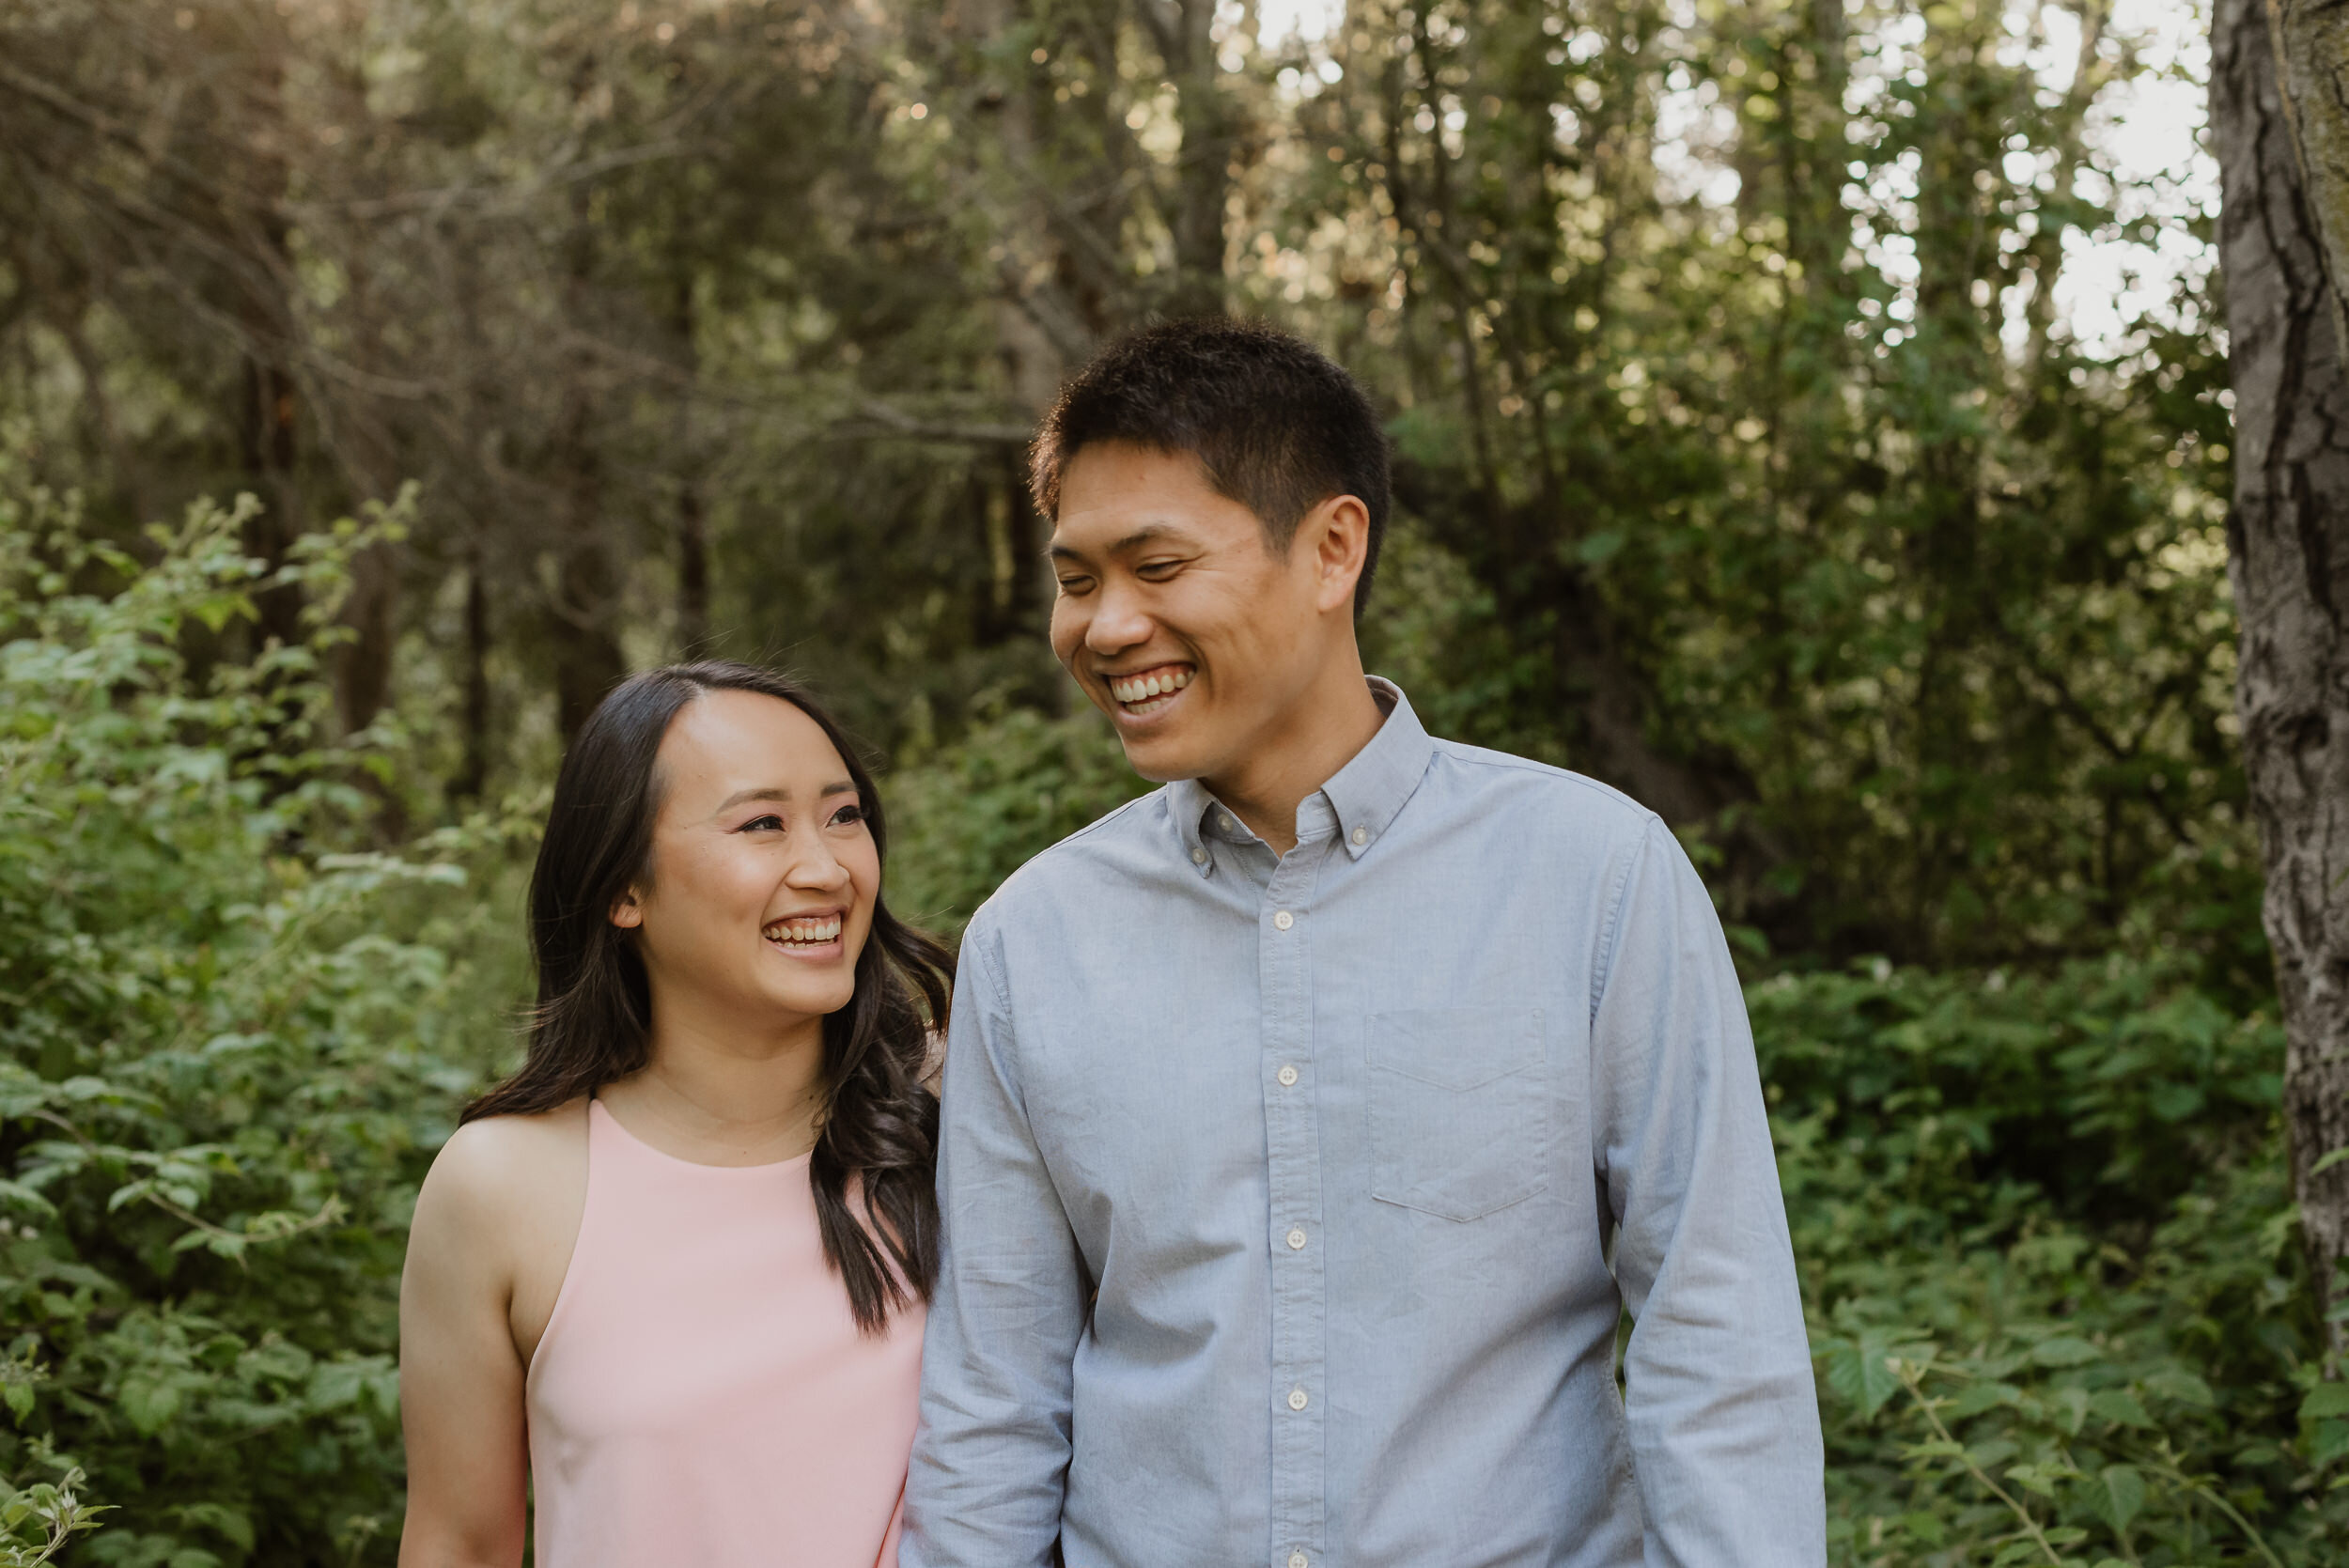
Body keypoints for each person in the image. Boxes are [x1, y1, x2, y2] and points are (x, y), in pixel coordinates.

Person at [902, 318, 1826, 1568]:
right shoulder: (1033, 939)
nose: (1107, 628)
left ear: (1334, 547)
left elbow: (1717, 1341)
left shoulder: (1595, 879)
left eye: (1157, 565)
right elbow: (997, 1408)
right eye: (1077, 580)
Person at [397, 660, 951, 1568]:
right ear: (624, 888)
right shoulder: (503, 1185)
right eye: (762, 824)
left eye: (844, 815)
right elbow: (458, 1544)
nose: (826, 867)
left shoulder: (958, 1113)